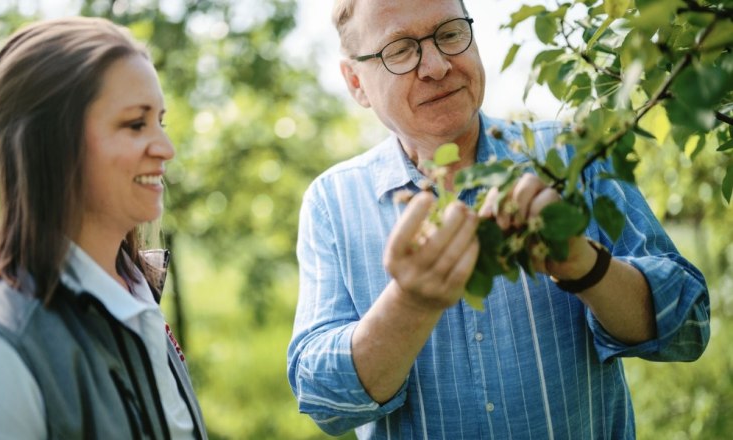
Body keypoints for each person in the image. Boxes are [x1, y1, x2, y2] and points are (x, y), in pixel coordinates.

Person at [287, 0, 711, 438]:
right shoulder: (331, 202)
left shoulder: (571, 154)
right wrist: (410, 304)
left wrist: (586, 267)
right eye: (399, 50)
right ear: (356, 82)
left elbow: (690, 327)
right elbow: (325, 403)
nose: (436, 65)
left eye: (449, 33)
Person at [0, 17, 207, 439]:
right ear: (52, 143)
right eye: (135, 124)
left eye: (161, 121)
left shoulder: (137, 298)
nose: (166, 148)